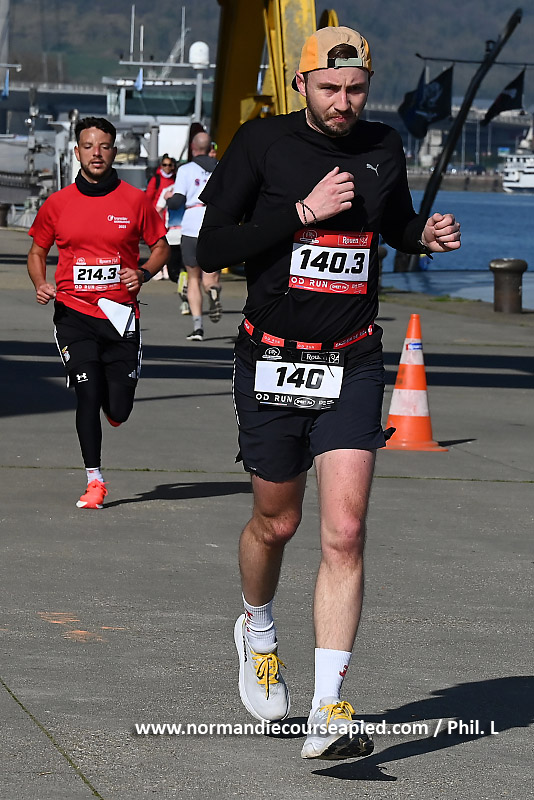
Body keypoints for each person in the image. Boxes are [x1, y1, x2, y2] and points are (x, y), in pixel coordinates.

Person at [197, 26, 461, 760]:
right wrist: (302, 213)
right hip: (271, 359)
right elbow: (211, 247)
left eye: (356, 90)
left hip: (353, 360)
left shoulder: (383, 146)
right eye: (330, 89)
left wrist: (422, 235)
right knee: (277, 523)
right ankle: (257, 627)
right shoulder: (262, 143)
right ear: (302, 84)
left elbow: (391, 222)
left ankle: (329, 709)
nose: (344, 103)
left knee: (344, 532)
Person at [27, 116, 169, 509]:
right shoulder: (57, 204)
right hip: (73, 313)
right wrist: (40, 282)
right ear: (77, 152)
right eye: (89, 146)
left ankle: (115, 395)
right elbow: (37, 251)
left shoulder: (135, 200)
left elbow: (161, 246)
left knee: (118, 410)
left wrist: (143, 272)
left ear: (114, 151)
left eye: (104, 147)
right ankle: (95, 480)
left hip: (121, 316)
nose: (96, 154)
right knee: (86, 392)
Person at [166, 131, 222, 341]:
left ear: (192, 148)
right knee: (211, 276)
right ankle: (213, 290)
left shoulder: (186, 169)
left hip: (191, 225)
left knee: (193, 277)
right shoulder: (221, 167)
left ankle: (198, 328)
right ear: (210, 148)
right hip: (215, 224)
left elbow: (177, 201)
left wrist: (168, 198)